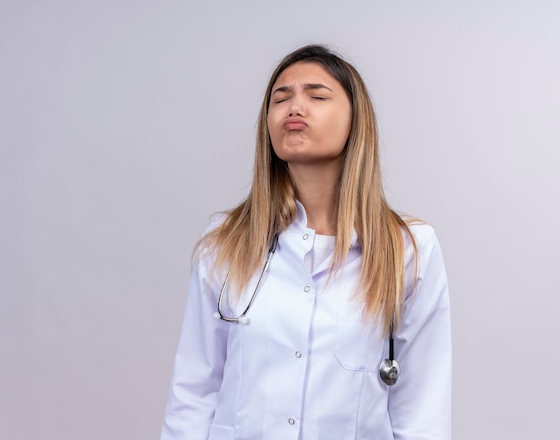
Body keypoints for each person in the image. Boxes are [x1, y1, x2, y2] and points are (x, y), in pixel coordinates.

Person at [161, 44, 451, 440]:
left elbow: (422, 412)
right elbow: (193, 393)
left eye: (316, 96)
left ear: (355, 121)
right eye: (280, 98)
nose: (294, 108)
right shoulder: (225, 245)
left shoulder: (408, 250)